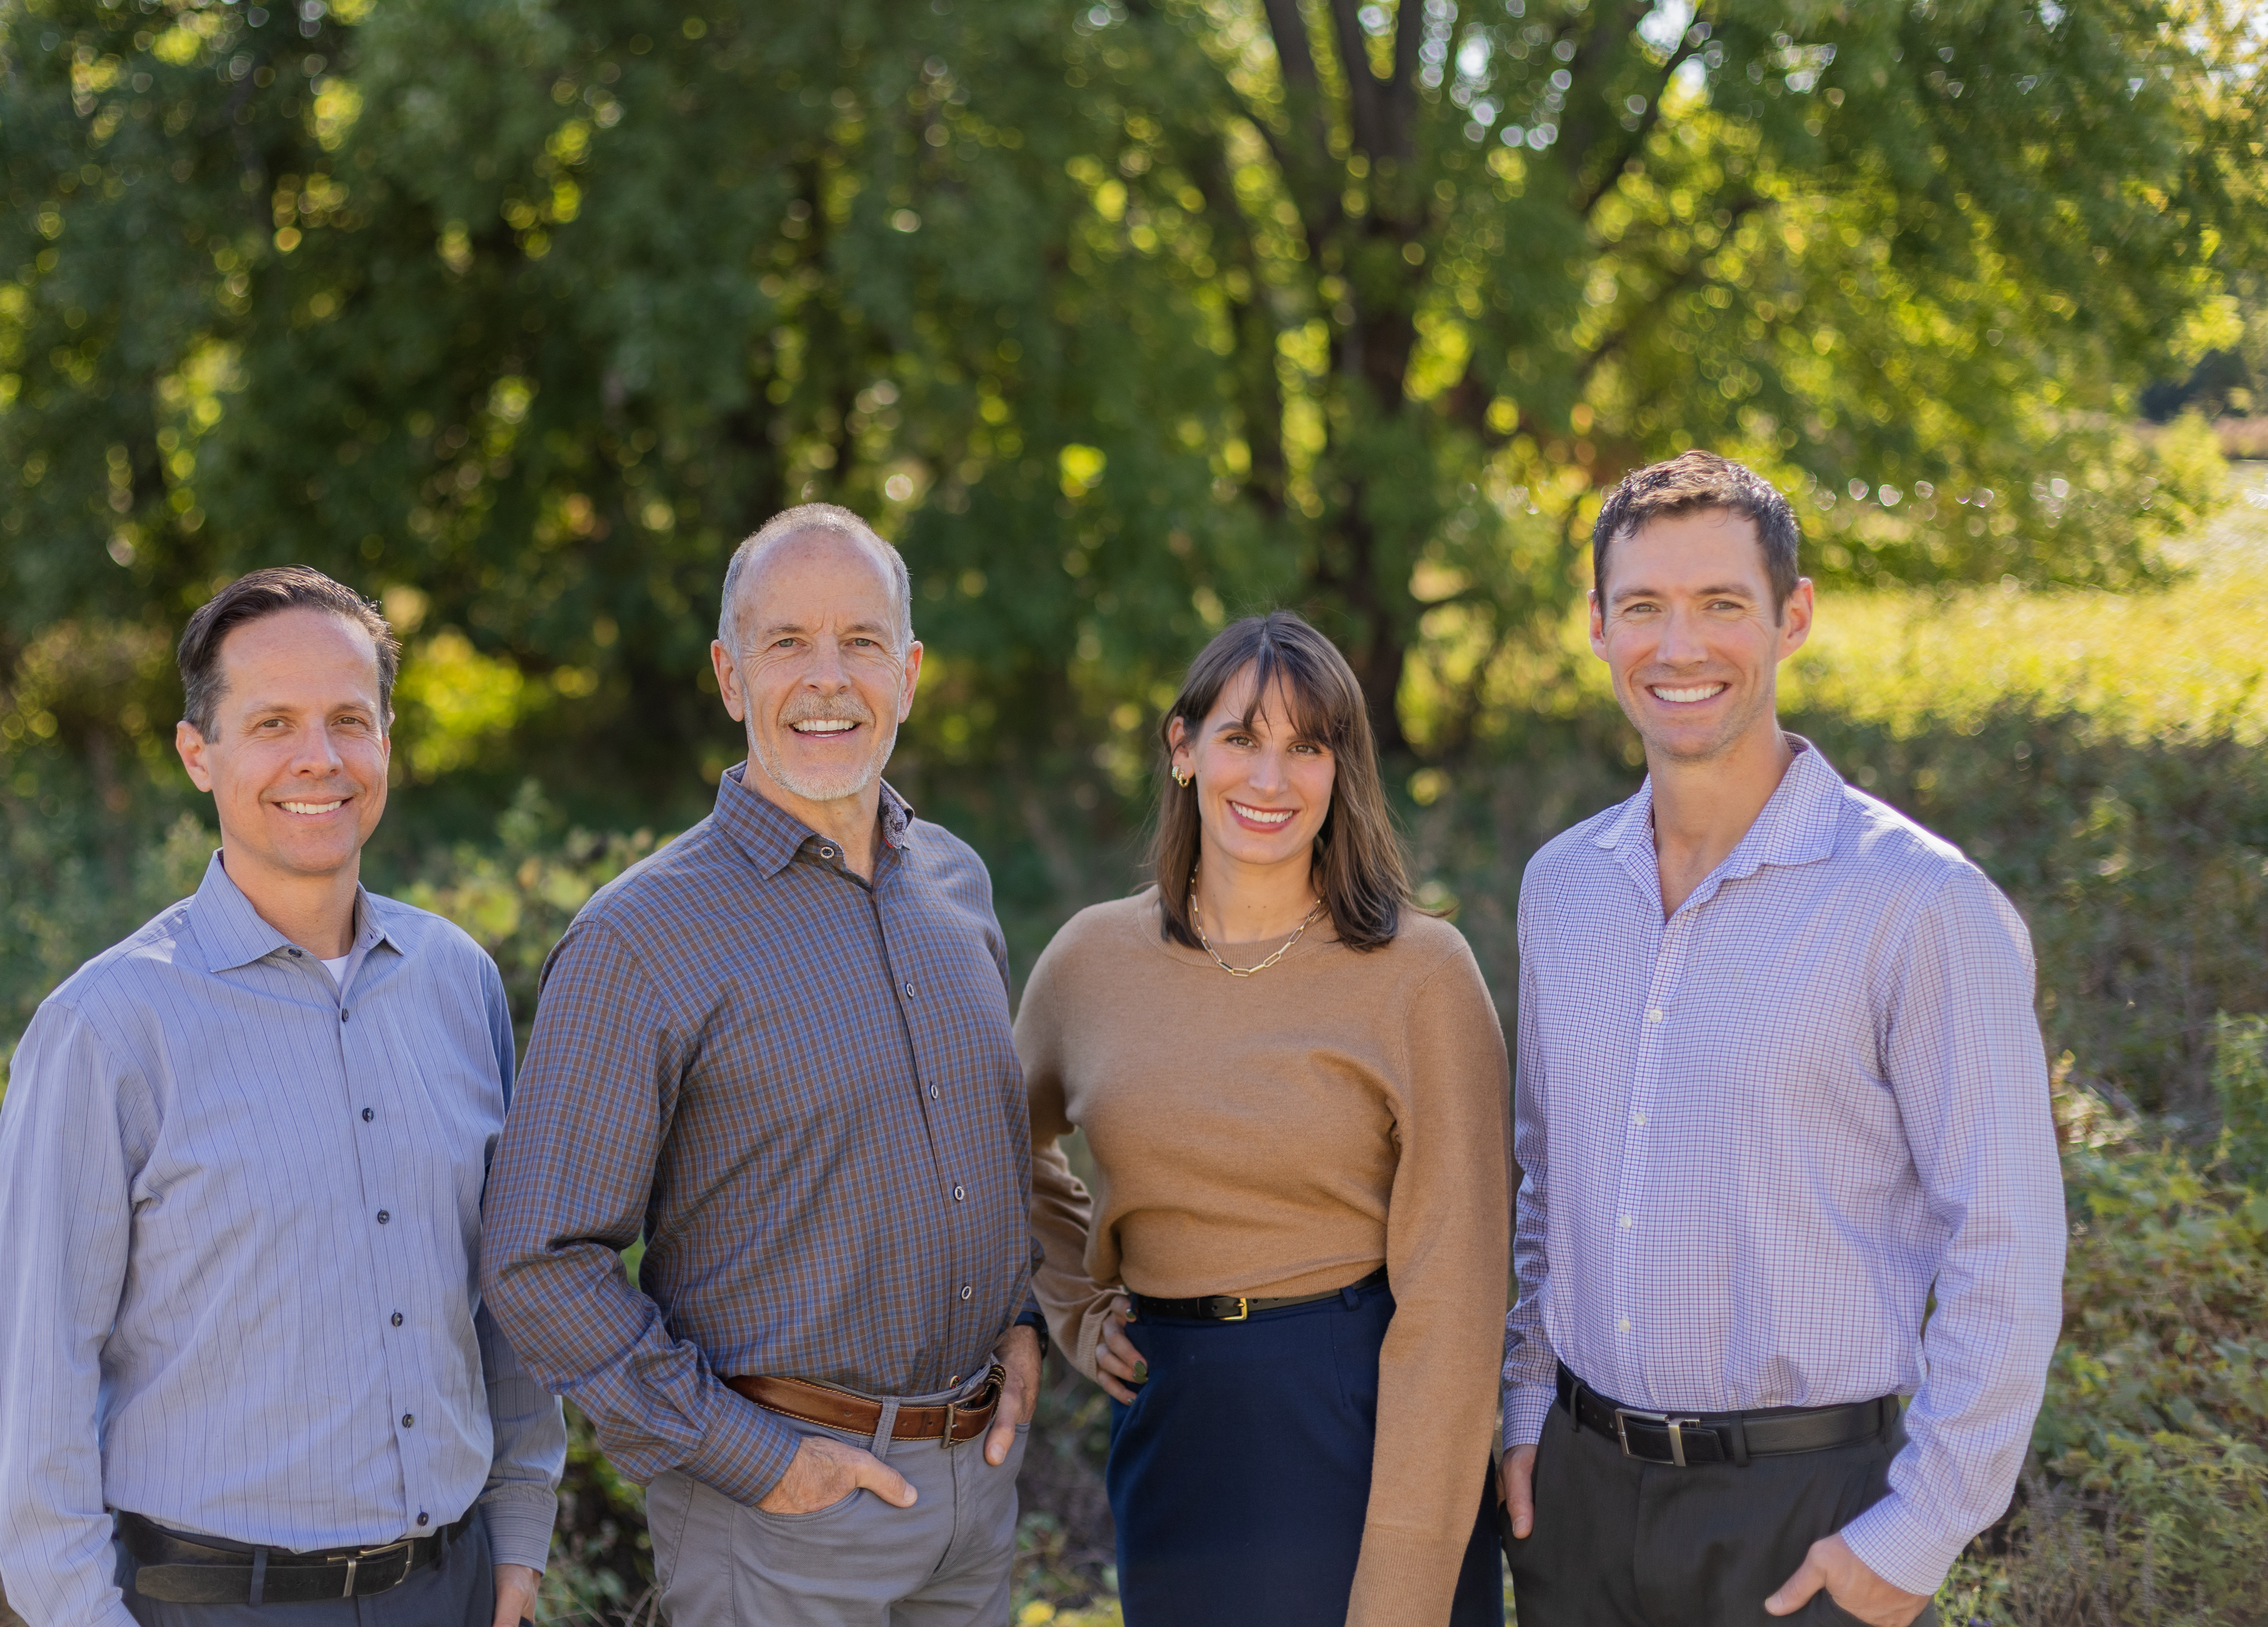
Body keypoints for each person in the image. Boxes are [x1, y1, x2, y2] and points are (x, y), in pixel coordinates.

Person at [1498, 452, 2067, 1627]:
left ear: (1792, 617)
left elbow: (2006, 1245)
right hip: (1579, 1503)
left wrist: (1916, 1535)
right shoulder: (1561, 890)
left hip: (1811, 1519)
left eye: (1722, 605)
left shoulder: (1920, 905)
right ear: (1599, 626)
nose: (1681, 646)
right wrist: (1522, 1416)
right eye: (1645, 607)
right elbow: (1543, 1187)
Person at [480, 503, 1044, 1627]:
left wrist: (1021, 1325)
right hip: (778, 1529)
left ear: (911, 670)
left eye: (862, 642)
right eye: (787, 644)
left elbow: (982, 1152)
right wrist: (758, 1462)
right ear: (731, 676)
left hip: (975, 1502)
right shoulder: (642, 937)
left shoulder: (957, 884)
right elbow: (539, 1261)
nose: (827, 680)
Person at [0, 567, 564, 1627]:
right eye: (274, 722)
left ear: (389, 740)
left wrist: (518, 1532)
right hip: (211, 1601)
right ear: (199, 752)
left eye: (350, 719)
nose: (319, 757)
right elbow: (39, 1383)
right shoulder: (107, 1027)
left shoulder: (457, 982)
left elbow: (504, 1292)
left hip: (454, 1586)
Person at [1022, 611, 1511, 1627]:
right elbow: (995, 1157)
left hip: (1358, 1410)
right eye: (1243, 737)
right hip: (1175, 1418)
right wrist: (1073, 1303)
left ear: (1344, 770)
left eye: (1309, 745)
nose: (1272, 779)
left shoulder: (1421, 974)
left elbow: (1455, 1304)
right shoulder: (1090, 961)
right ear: (1183, 748)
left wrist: (1406, 1586)